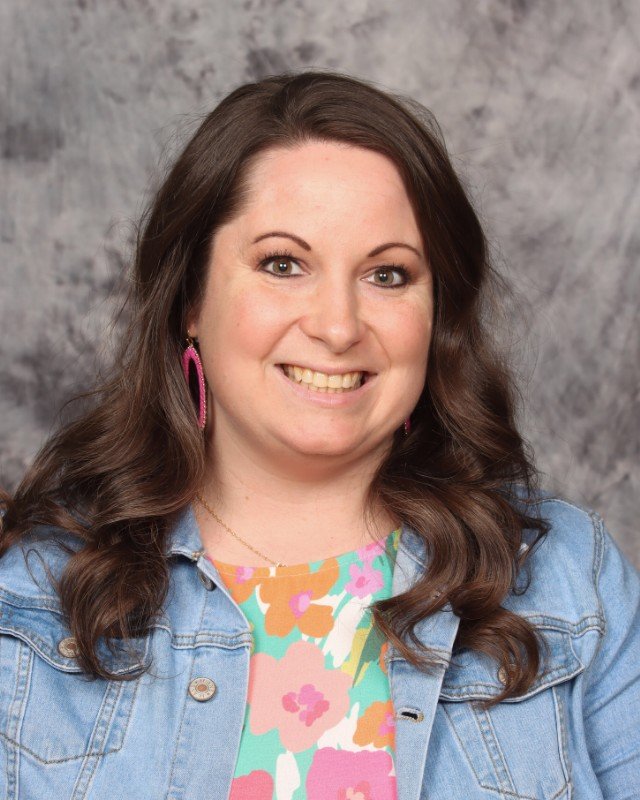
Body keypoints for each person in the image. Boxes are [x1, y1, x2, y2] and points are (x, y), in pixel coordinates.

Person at [0, 70, 638, 800]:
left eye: (388, 275)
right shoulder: (31, 603)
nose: (337, 326)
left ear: (438, 319)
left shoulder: (568, 581)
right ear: (190, 302)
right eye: (283, 264)